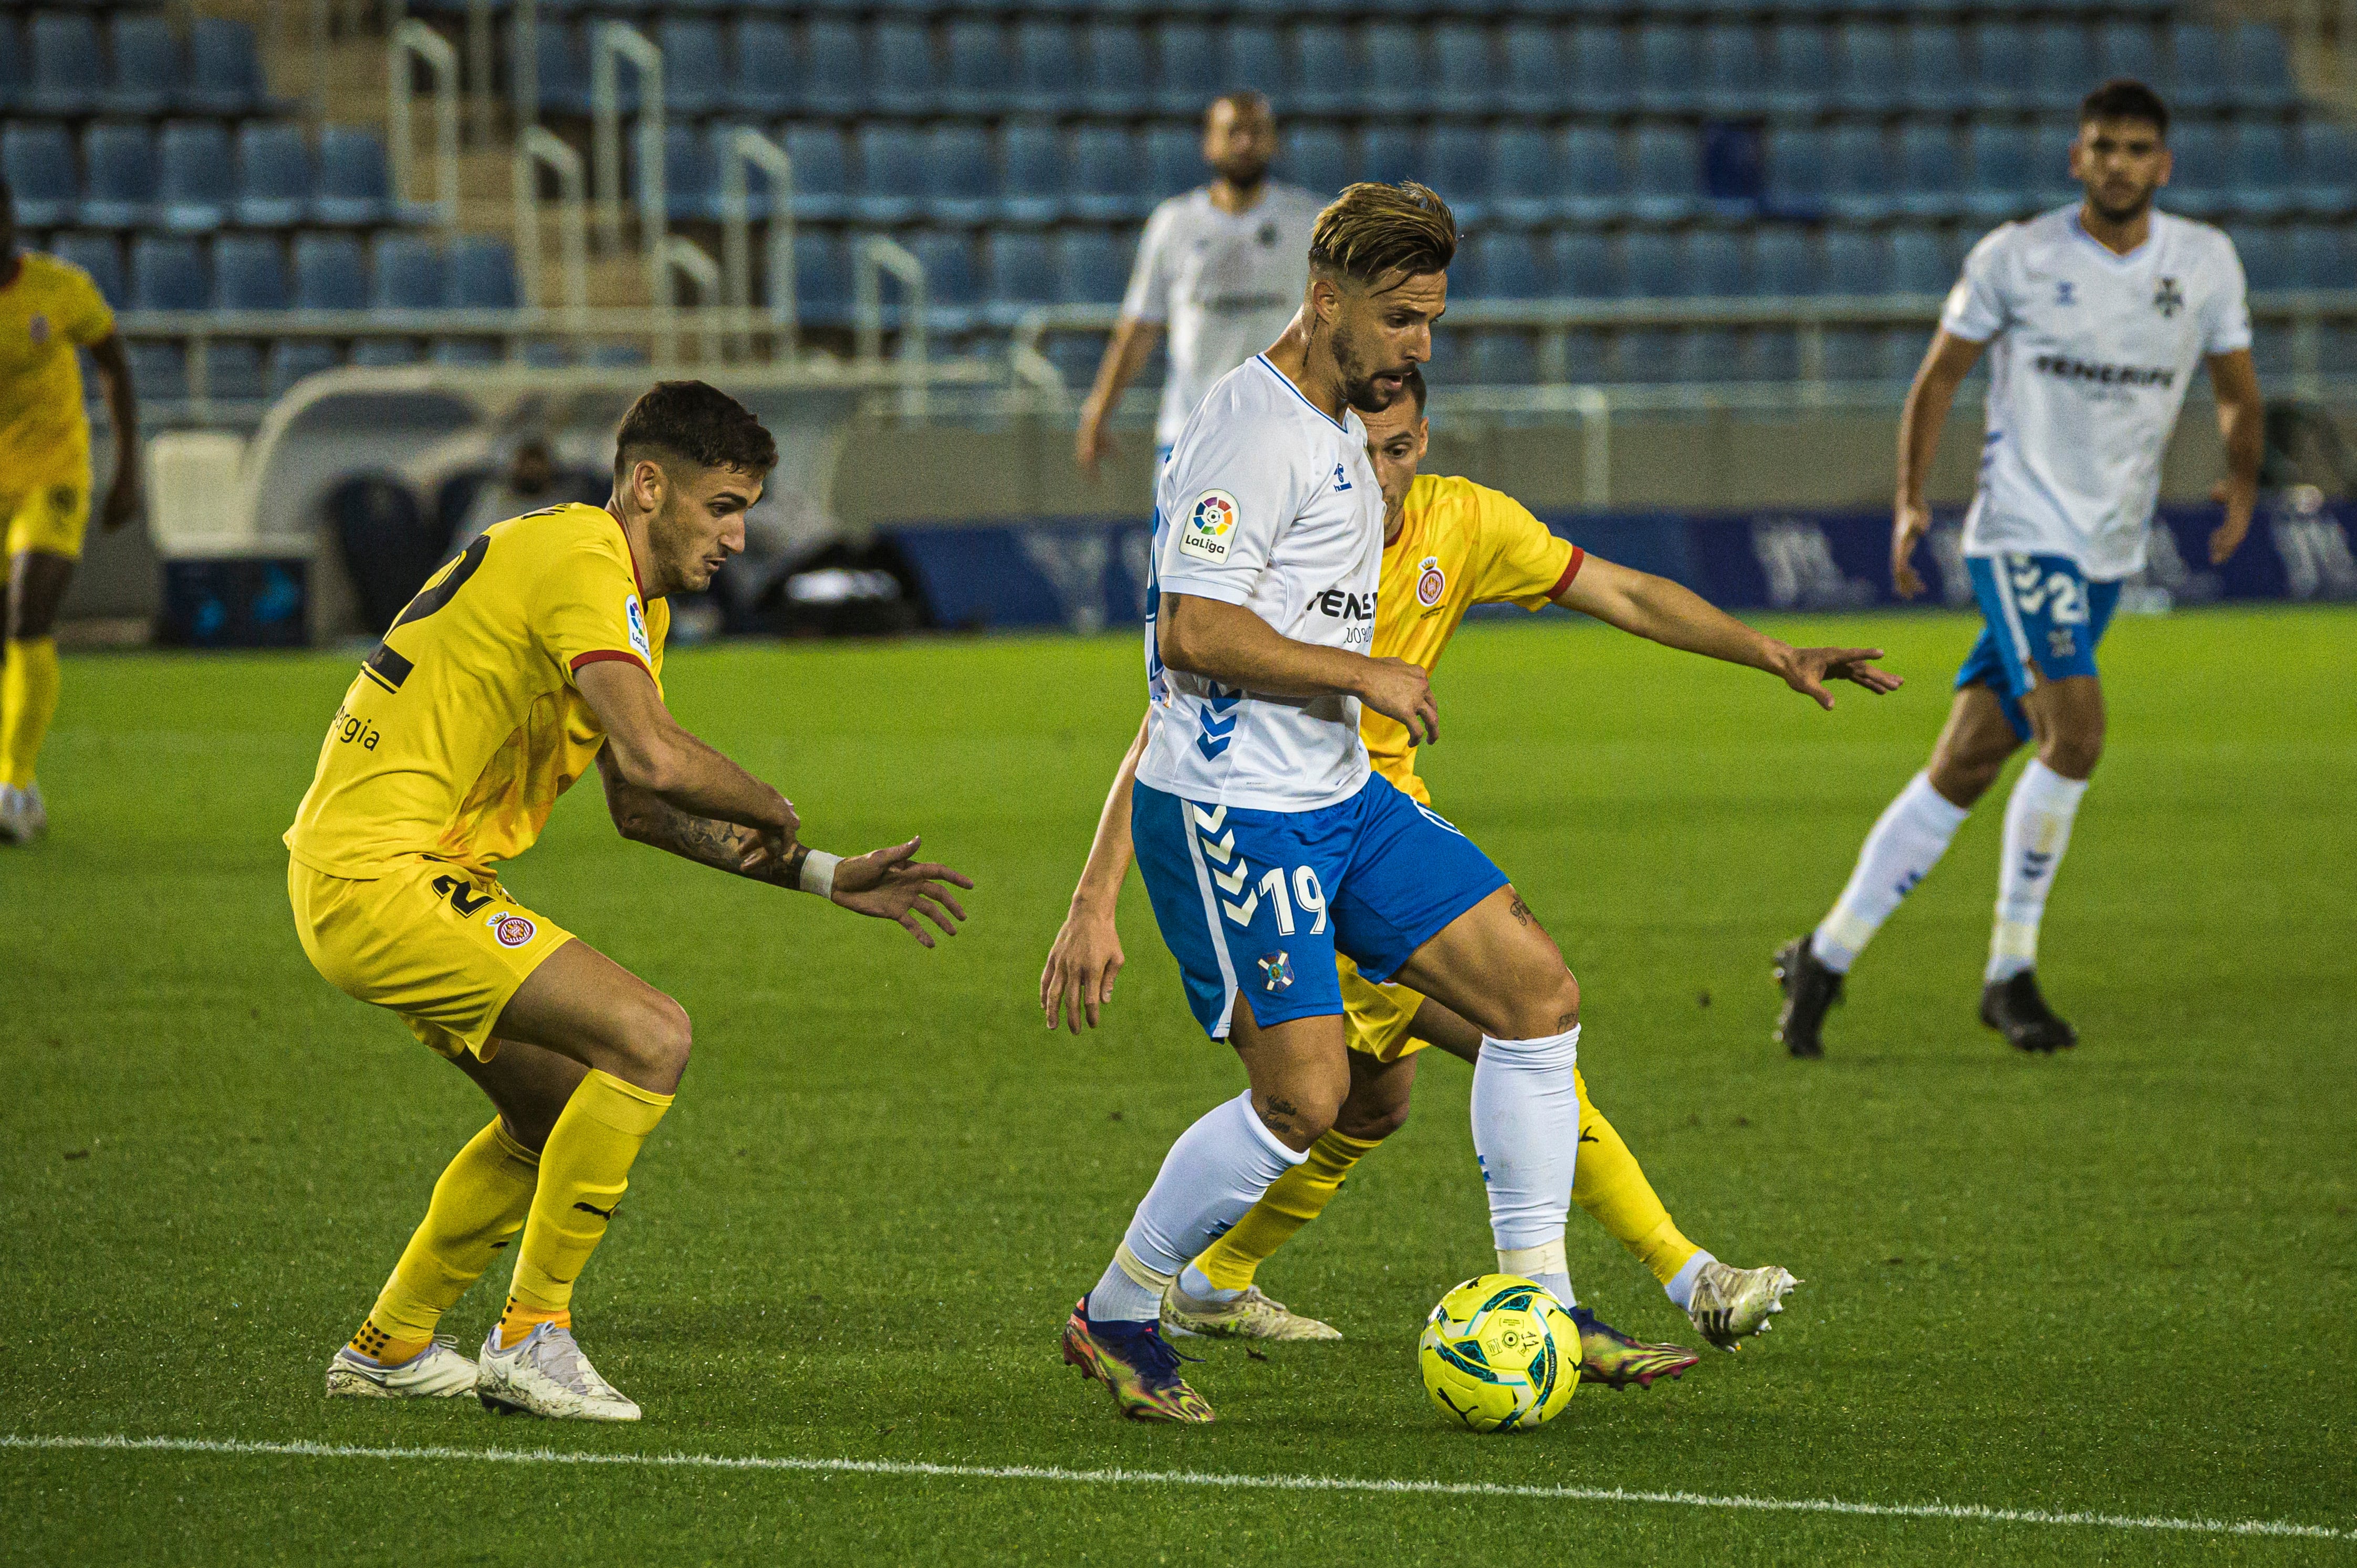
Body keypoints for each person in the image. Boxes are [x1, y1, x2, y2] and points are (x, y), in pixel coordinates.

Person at [1046, 369, 1892, 1381]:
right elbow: (1170, 714)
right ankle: (1669, 1277)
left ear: (1425, 442)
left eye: (1401, 450)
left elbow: (1621, 588)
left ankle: (1232, 1282)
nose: (1382, 474)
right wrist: (1094, 895)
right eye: (1364, 449)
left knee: (1425, 1070)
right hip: (1275, 837)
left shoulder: (1463, 522)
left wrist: (1771, 653)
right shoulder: (1282, 518)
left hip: (1377, 821)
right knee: (1404, 1070)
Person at [287, 381, 972, 1421]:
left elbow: (638, 809)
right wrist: (770, 800)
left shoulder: (627, 600)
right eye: (724, 505)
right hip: (378, 873)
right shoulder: (580, 558)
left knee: (554, 1103)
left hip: (407, 876)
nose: (741, 537)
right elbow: (656, 758)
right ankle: (531, 1336)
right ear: (649, 485)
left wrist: (821, 871)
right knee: (651, 1036)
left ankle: (392, 1340)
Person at [1775, 80, 2262, 1057]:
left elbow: (2237, 394)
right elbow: (1939, 378)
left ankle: (1822, 955)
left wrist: (2242, 484)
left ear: (2161, 166)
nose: (2117, 162)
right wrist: (1911, 498)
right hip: (2019, 534)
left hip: (2107, 551)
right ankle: (2008, 970)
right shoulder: (2018, 257)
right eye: (2100, 146)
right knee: (2074, 735)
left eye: (2135, 148)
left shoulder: (2204, 263)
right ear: (2074, 159)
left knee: (1963, 763)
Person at [1073, 92, 1326, 479]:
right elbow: (1140, 328)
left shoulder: (1309, 222)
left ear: (1273, 142)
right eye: (1233, 132)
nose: (1244, 143)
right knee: (1183, 542)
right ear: (1209, 144)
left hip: (1286, 432)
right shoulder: (1173, 224)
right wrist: (1099, 411)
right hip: (1191, 432)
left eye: (1256, 132)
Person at [0, 180, 139, 842]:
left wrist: (128, 470)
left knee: (29, 615)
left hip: (53, 473)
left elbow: (114, 365)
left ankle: (12, 782)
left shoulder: (59, 290)